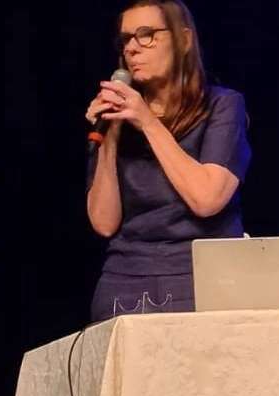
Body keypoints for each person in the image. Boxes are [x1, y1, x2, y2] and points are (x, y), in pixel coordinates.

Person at [86, 0, 251, 321]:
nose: (132, 48)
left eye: (146, 34)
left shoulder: (223, 106)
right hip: (125, 281)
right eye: (126, 39)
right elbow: (104, 223)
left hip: (202, 279)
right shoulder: (120, 116)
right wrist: (111, 137)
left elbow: (207, 199)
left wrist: (147, 122)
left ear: (184, 40)